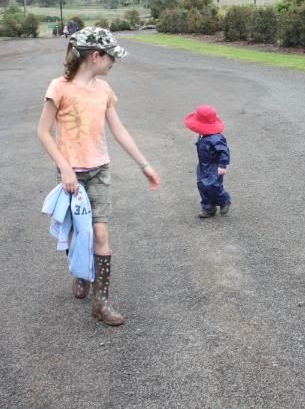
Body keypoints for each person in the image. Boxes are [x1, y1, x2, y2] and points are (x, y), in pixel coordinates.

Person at [37, 27, 160, 326]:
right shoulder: (59, 88)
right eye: (110, 58)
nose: (112, 63)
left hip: (99, 171)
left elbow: (118, 130)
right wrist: (65, 168)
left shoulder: (104, 91)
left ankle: (101, 302)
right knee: (74, 232)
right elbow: (43, 131)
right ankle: (80, 273)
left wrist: (144, 164)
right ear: (95, 56)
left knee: (100, 233)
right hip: (71, 175)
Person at [184, 105, 231, 218]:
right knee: (202, 185)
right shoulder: (203, 135)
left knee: (213, 185)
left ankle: (224, 200)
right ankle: (208, 207)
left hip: (214, 166)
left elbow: (224, 151)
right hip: (203, 165)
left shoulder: (216, 138)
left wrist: (222, 164)